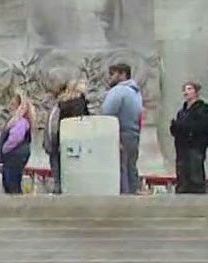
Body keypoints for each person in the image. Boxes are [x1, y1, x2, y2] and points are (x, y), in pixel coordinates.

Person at [99, 62, 143, 194]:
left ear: (122, 75)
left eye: (112, 74)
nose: (110, 78)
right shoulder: (136, 93)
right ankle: (133, 190)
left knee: (120, 167)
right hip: (134, 134)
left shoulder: (118, 91)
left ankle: (124, 196)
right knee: (131, 166)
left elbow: (107, 113)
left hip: (120, 134)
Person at [170, 82, 208, 194]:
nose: (186, 92)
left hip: (195, 145)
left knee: (195, 171)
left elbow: (203, 127)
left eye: (189, 89)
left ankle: (197, 191)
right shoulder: (182, 111)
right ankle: (182, 189)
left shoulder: (202, 108)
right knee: (182, 171)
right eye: (184, 89)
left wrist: (185, 127)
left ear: (196, 92)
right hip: (181, 145)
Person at [49, 79, 90, 194]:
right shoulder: (80, 102)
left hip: (59, 139)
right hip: (75, 140)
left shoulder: (61, 103)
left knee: (59, 169)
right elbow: (83, 121)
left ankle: (58, 189)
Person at [0, 95, 35, 195]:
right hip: (15, 155)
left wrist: (4, 149)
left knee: (11, 183)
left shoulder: (21, 121)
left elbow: (15, 138)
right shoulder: (16, 120)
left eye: (13, 104)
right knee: (10, 182)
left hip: (15, 155)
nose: (10, 106)